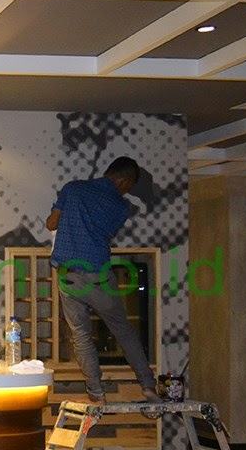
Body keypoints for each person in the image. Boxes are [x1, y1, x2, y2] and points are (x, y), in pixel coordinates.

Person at [46, 156, 161, 403]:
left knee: (81, 334)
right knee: (123, 330)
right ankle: (148, 385)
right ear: (124, 181)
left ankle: (96, 393)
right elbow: (105, 234)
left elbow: (51, 224)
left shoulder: (72, 189)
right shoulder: (121, 206)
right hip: (98, 275)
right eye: (129, 186)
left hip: (68, 276)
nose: (127, 191)